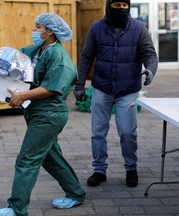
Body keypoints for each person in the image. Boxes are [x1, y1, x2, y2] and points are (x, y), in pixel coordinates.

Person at [0, 13, 86, 216]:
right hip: (37, 113)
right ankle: (75, 193)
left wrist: (22, 95)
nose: (34, 31)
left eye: (38, 28)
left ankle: (17, 209)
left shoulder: (59, 57)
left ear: (50, 31)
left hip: (49, 115)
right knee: (51, 157)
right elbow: (16, 60)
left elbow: (52, 88)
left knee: (27, 160)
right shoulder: (36, 51)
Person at [74, 0, 158, 188]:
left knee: (128, 132)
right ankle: (99, 170)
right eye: (116, 5)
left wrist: (150, 70)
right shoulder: (96, 28)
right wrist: (79, 86)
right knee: (98, 132)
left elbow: (150, 55)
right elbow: (86, 57)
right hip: (101, 88)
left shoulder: (139, 28)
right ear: (108, 5)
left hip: (127, 90)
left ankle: (131, 168)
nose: (121, 9)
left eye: (124, 5)